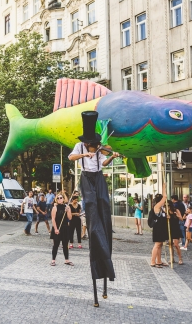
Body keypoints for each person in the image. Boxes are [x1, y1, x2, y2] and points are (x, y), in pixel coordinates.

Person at [68, 111, 117, 289]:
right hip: (86, 177)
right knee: (91, 204)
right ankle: (93, 226)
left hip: (98, 177)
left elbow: (103, 163)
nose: (95, 147)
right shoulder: (80, 147)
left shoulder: (99, 149)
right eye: (92, 145)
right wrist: (84, 156)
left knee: (103, 203)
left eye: (96, 145)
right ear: (86, 143)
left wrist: (111, 156)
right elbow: (71, 157)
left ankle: (104, 228)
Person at [50, 193, 73, 266]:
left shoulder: (67, 207)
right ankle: (53, 260)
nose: (59, 199)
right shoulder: (55, 208)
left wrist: (68, 210)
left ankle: (67, 260)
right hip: (57, 227)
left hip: (65, 227)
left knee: (65, 244)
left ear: (63, 199)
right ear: (56, 200)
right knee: (56, 244)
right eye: (58, 198)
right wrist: (56, 229)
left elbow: (70, 218)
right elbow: (53, 219)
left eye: (61, 198)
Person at [150, 188, 169, 268]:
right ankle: (153, 261)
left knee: (160, 244)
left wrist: (166, 217)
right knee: (157, 244)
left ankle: (159, 261)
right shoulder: (157, 206)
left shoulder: (161, 208)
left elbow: (161, 217)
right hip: (158, 229)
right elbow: (165, 196)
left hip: (161, 228)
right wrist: (164, 186)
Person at [167, 200, 183, 265]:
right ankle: (172, 258)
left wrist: (177, 216)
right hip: (169, 229)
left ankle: (180, 259)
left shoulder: (176, 210)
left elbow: (181, 219)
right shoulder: (166, 211)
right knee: (170, 245)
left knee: (176, 245)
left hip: (176, 228)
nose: (167, 207)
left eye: (168, 205)